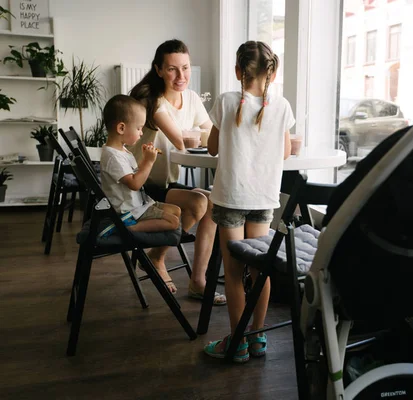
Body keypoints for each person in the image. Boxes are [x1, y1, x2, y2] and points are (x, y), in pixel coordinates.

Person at [203, 40, 294, 362]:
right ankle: (257, 339)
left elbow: (212, 147)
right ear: (270, 73)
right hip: (263, 197)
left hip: (231, 196)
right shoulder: (281, 106)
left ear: (238, 71)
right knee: (260, 271)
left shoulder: (227, 101)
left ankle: (237, 342)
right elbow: (284, 152)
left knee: (233, 272)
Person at [130, 39, 225, 302]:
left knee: (214, 203)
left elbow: (209, 133)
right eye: (172, 69)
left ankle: (198, 282)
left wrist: (205, 134)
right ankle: (157, 257)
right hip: (140, 187)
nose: (181, 76)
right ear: (159, 70)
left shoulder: (192, 99)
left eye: (185, 68)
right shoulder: (152, 101)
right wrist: (203, 134)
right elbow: (181, 141)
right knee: (197, 202)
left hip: (165, 184)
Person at [99, 95, 182, 271]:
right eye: (138, 128)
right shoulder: (112, 156)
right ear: (121, 128)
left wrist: (144, 159)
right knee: (173, 222)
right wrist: (149, 162)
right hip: (129, 212)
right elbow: (135, 184)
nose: (141, 133)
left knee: (177, 210)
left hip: (139, 204)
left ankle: (138, 231)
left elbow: (133, 175)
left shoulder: (121, 151)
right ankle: (130, 229)